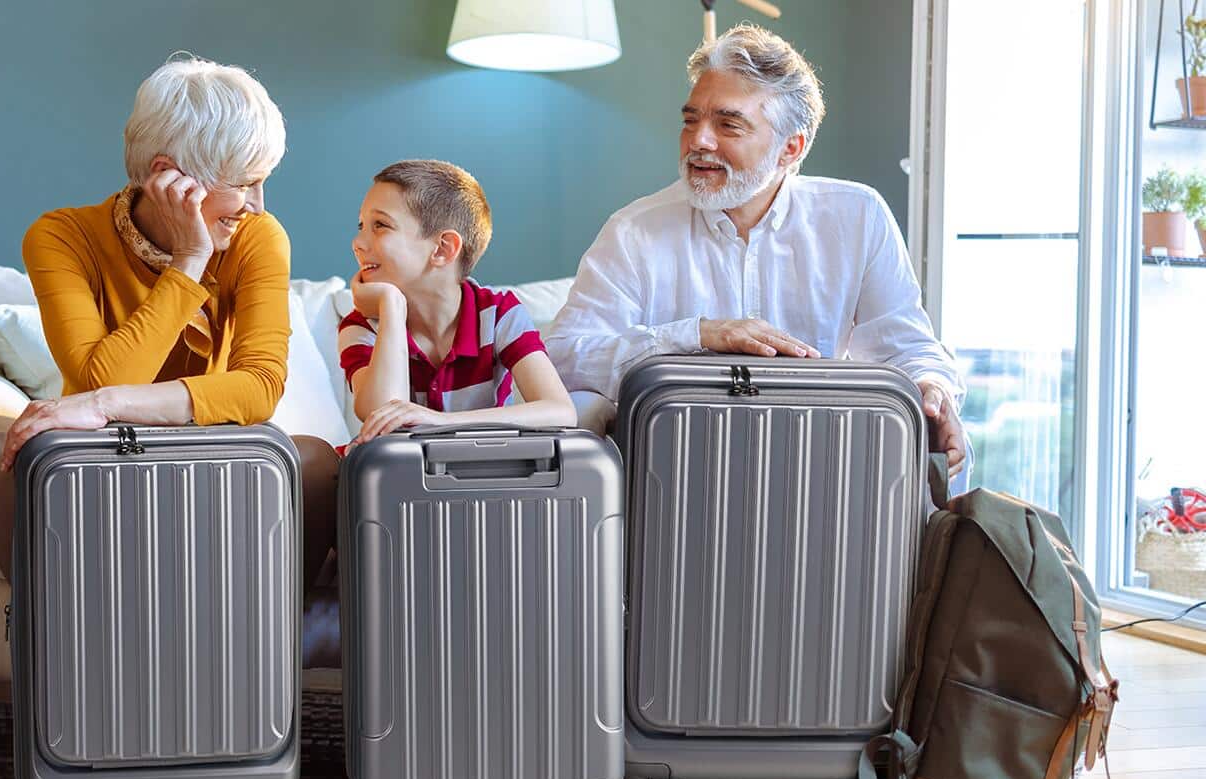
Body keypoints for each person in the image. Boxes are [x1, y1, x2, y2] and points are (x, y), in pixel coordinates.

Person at [0, 56, 339, 614]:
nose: (258, 205)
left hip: (213, 453)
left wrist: (106, 403)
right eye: (244, 184)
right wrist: (188, 262)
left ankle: (261, 645)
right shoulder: (62, 237)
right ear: (169, 175)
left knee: (312, 461)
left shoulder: (259, 237)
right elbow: (100, 374)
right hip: (100, 458)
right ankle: (66, 645)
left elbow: (258, 388)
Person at [546, 24, 970, 489]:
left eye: (727, 124)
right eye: (691, 120)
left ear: (792, 147)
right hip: (676, 473)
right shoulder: (634, 231)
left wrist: (934, 389)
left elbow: (905, 346)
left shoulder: (859, 216)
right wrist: (698, 334)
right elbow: (563, 358)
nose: (698, 141)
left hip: (818, 465)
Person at [338, 160, 576, 442]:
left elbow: (560, 411)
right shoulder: (362, 326)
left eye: (380, 225)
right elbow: (382, 418)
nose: (357, 242)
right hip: (398, 479)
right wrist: (390, 307)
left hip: (478, 475)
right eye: (361, 225)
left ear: (442, 248)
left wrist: (441, 422)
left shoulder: (498, 313)